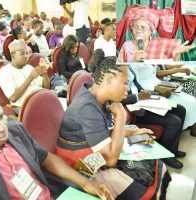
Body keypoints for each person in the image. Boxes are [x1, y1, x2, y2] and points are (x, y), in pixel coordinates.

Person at [0, 92, 113, 200]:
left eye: (1, 117)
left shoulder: (15, 129)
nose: (2, 128)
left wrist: (85, 183)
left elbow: (46, 158)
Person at [57, 49, 170, 199]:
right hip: (78, 164)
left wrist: (132, 132)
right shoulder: (87, 107)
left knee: (155, 166)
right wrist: (121, 115)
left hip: (92, 151)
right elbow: (111, 159)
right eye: (125, 83)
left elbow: (103, 130)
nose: (128, 88)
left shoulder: (97, 96)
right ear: (109, 80)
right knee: (146, 190)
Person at [118, 8, 196, 136]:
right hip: (145, 87)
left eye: (143, 28)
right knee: (182, 106)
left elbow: (163, 67)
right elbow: (123, 72)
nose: (138, 31)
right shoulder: (127, 46)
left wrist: (176, 55)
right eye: (135, 27)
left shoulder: (159, 46)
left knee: (190, 100)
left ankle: (184, 130)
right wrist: (134, 60)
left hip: (156, 82)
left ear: (151, 31)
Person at [121, 66, 186, 168]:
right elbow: (119, 98)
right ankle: (166, 155)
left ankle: (173, 150)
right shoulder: (115, 71)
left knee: (181, 109)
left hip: (145, 102)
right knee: (174, 121)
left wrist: (150, 94)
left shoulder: (129, 68)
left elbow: (139, 87)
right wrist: (137, 96)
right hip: (136, 109)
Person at [0, 40, 50, 107]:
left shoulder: (29, 67)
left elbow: (46, 87)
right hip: (26, 107)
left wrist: (44, 72)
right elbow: (13, 98)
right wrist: (31, 77)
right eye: (22, 54)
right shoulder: (4, 72)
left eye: (27, 53)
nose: (26, 56)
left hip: (42, 99)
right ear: (12, 55)